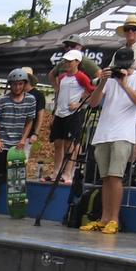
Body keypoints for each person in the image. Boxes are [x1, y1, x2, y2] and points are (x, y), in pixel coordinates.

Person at [81, 49, 136, 235]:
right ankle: (104, 218)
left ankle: (114, 219)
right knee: (105, 178)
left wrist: (125, 84)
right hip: (103, 133)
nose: (123, 68)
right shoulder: (109, 78)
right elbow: (94, 103)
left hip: (123, 133)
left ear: (133, 63)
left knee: (115, 176)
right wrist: (103, 80)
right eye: (120, 64)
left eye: (126, 64)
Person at [0, 68, 38, 218]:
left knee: (16, 177)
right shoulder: (2, 100)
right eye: (14, 84)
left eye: (20, 84)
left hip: (17, 144)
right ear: (10, 85)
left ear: (24, 84)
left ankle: (16, 206)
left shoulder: (30, 100)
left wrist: (23, 139)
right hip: (2, 142)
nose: (17, 87)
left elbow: (30, 121)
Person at [48, 50, 93, 184]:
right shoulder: (62, 77)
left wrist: (80, 104)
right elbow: (59, 94)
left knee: (70, 144)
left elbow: (93, 92)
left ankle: (68, 173)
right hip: (60, 114)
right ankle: (56, 171)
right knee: (57, 143)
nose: (67, 63)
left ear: (77, 62)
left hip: (72, 115)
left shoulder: (81, 77)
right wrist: (55, 113)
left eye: (70, 61)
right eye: (66, 61)